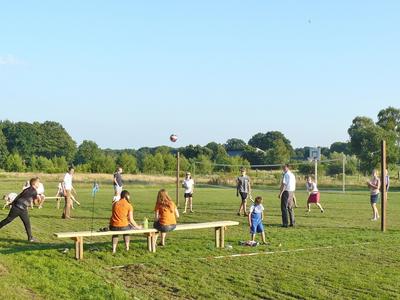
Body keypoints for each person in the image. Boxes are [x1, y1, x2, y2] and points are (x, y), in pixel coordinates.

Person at [0, 177, 40, 242]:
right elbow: (35, 203)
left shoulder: (26, 189)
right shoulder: (34, 192)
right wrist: (39, 199)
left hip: (19, 207)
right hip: (19, 208)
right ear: (34, 184)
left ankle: (30, 238)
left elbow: (18, 196)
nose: (39, 184)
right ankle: (30, 238)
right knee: (9, 220)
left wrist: (12, 203)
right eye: (38, 183)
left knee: (26, 222)